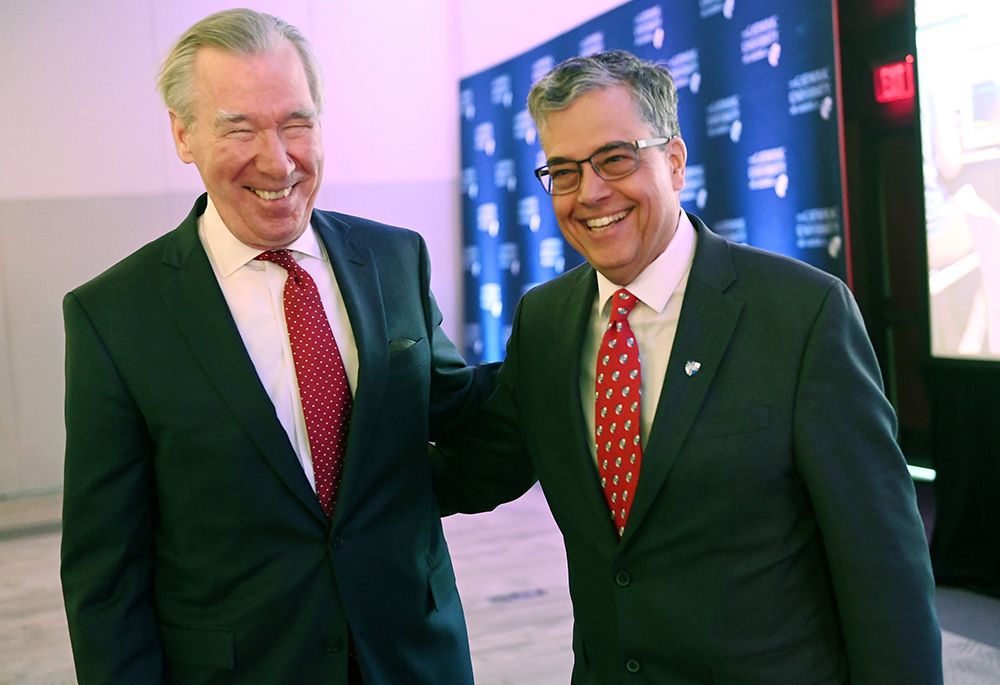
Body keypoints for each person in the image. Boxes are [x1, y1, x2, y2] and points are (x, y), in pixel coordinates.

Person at [433, 50, 943, 683]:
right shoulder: (545, 321)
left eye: (615, 159)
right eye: (563, 171)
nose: (590, 192)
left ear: (673, 162)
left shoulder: (801, 314)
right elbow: (476, 469)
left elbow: (882, 564)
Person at [60, 9, 489, 684]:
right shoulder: (114, 315)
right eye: (240, 126)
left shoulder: (394, 258)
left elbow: (462, 420)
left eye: (297, 121)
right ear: (183, 134)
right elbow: (106, 574)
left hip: (412, 657)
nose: (278, 158)